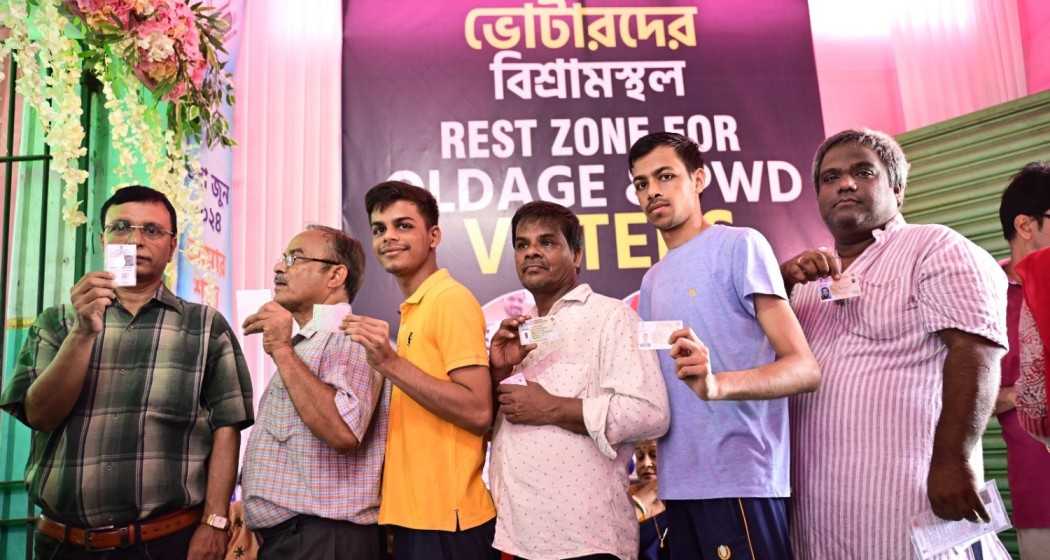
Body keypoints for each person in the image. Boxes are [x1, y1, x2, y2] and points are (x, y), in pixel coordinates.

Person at [783, 129, 1010, 558]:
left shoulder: (934, 247)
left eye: (862, 172)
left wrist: (954, 460)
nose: (844, 184)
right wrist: (779, 284)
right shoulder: (805, 279)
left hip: (914, 498)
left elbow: (975, 351)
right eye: (830, 178)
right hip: (820, 513)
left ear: (898, 189)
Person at [0, 185, 254, 560]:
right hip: (62, 544)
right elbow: (40, 415)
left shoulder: (205, 327)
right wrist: (83, 332)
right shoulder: (57, 322)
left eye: (151, 231)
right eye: (121, 227)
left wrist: (214, 522)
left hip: (166, 543)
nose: (135, 240)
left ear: (171, 246)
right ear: (103, 239)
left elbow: (227, 429)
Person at [629, 132, 820, 559]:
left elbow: (804, 368)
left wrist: (716, 385)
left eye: (665, 176)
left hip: (741, 480)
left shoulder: (740, 246)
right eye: (641, 183)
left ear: (698, 179)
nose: (652, 191)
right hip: (677, 487)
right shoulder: (651, 280)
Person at [487, 201, 669, 560]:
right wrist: (498, 370)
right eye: (522, 245)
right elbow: (500, 424)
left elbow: (650, 413)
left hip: (585, 540)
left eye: (547, 242)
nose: (532, 252)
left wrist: (553, 408)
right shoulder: (519, 331)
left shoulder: (610, 317)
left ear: (577, 254)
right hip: (517, 537)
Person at [342, 181, 497, 560]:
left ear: (434, 236)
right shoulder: (417, 308)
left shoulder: (449, 300)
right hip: (420, 518)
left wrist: (390, 364)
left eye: (403, 225)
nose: (388, 237)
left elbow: (478, 411)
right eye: (379, 229)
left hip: (449, 521)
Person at [240, 225, 389, 559]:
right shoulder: (311, 342)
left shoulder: (348, 337)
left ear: (336, 275)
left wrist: (281, 348)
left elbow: (343, 430)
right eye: (283, 259)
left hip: (325, 539)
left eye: (295, 258)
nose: (280, 268)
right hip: (300, 538)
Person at [995, 162, 1050, 556]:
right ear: (1026, 226)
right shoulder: (985, 294)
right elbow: (971, 397)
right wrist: (1028, 392)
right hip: (1040, 495)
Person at [630, 441, 669, 560]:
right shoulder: (625, 500)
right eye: (640, 456)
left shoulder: (685, 501)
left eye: (654, 455)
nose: (646, 463)